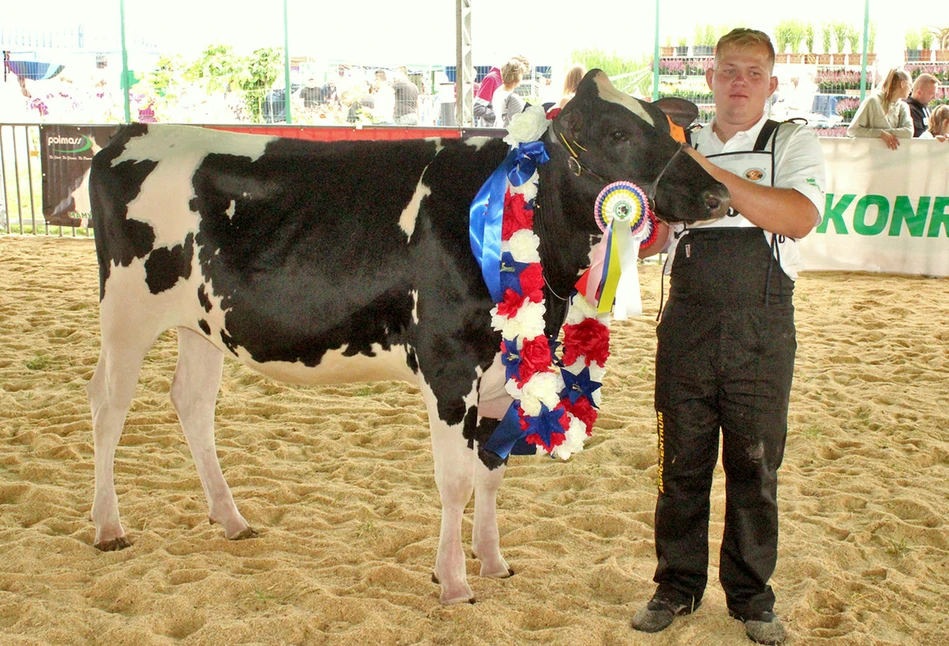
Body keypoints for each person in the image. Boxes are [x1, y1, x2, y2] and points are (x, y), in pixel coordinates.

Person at [630, 28, 825, 646]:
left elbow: (798, 217)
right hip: (685, 316)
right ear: (711, 78)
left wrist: (701, 169)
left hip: (762, 323)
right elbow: (662, 237)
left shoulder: (790, 139)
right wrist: (639, 230)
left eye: (753, 72)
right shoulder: (674, 145)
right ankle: (677, 586)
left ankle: (750, 597)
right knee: (678, 461)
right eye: (729, 70)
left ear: (770, 83)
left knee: (755, 464)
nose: (739, 82)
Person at [846, 68, 913, 150]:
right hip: (872, 158)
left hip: (894, 159)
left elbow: (909, 132)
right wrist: (880, 133)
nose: (911, 90)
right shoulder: (872, 102)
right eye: (910, 85)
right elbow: (853, 131)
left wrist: (884, 133)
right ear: (903, 84)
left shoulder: (903, 106)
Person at [473, 55, 529, 126]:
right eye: (521, 74)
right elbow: (476, 108)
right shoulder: (492, 79)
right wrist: (501, 115)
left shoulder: (501, 83)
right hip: (491, 131)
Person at [490, 59, 526, 128]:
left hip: (499, 131)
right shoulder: (513, 98)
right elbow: (514, 123)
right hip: (509, 136)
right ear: (518, 77)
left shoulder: (498, 92)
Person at [905, 73, 938, 137]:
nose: (934, 97)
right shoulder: (909, 110)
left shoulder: (927, 108)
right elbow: (919, 136)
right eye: (931, 94)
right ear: (919, 92)